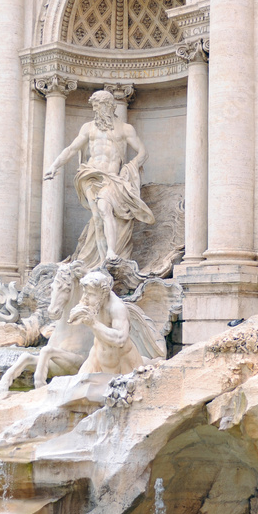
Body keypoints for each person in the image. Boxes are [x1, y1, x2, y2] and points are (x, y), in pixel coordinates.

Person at [44, 89, 155, 266]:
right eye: (94, 107)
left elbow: (143, 152)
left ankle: (111, 251)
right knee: (97, 216)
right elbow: (72, 149)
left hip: (111, 177)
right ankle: (101, 260)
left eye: (98, 106)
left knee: (104, 208)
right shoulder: (88, 128)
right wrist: (54, 165)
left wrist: (129, 168)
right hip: (89, 175)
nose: (96, 111)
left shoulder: (125, 129)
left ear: (109, 106)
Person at [69, 270, 144, 376]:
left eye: (90, 294)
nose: (85, 297)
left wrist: (93, 323)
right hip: (96, 356)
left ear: (103, 294)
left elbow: (120, 339)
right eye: (85, 292)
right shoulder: (93, 301)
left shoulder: (117, 308)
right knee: (77, 386)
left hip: (123, 363)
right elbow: (80, 307)